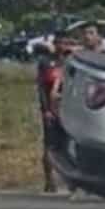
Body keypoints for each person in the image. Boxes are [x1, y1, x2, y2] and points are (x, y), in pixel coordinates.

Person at [36, 31, 78, 193]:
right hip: (52, 109)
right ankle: (49, 180)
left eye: (67, 43)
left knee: (69, 145)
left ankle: (71, 181)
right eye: (60, 43)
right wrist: (46, 109)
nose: (63, 46)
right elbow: (41, 87)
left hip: (69, 110)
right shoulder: (46, 62)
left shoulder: (73, 62)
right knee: (50, 144)